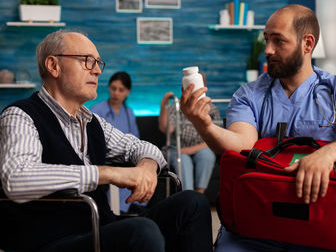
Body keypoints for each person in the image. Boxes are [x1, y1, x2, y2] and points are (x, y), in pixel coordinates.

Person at [180, 4, 336, 251]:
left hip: (323, 224)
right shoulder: (249, 95)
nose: (268, 50)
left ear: (307, 44)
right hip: (260, 225)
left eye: (279, 41)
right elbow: (242, 144)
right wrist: (204, 124)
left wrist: (326, 155)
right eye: (267, 39)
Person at [0, 30, 213, 252]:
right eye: (86, 61)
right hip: (51, 240)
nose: (97, 70)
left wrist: (146, 168)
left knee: (193, 203)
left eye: (98, 63)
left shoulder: (93, 122)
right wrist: (109, 173)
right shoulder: (20, 115)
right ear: (54, 65)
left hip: (99, 229)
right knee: (141, 231)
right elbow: (17, 179)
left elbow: (142, 147)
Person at [158, 72, 220, 193]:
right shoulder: (177, 106)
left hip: (201, 147)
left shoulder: (211, 108)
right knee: (183, 159)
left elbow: (214, 138)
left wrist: (189, 150)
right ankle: (188, 196)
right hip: (177, 148)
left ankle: (199, 194)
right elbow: (166, 129)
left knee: (207, 155)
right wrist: (164, 103)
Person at [90, 71, 141, 214]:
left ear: (127, 92)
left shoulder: (129, 113)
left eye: (121, 90)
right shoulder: (96, 110)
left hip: (125, 159)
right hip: (104, 160)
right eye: (113, 88)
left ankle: (129, 208)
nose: (116, 93)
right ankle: (119, 209)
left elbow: (136, 139)